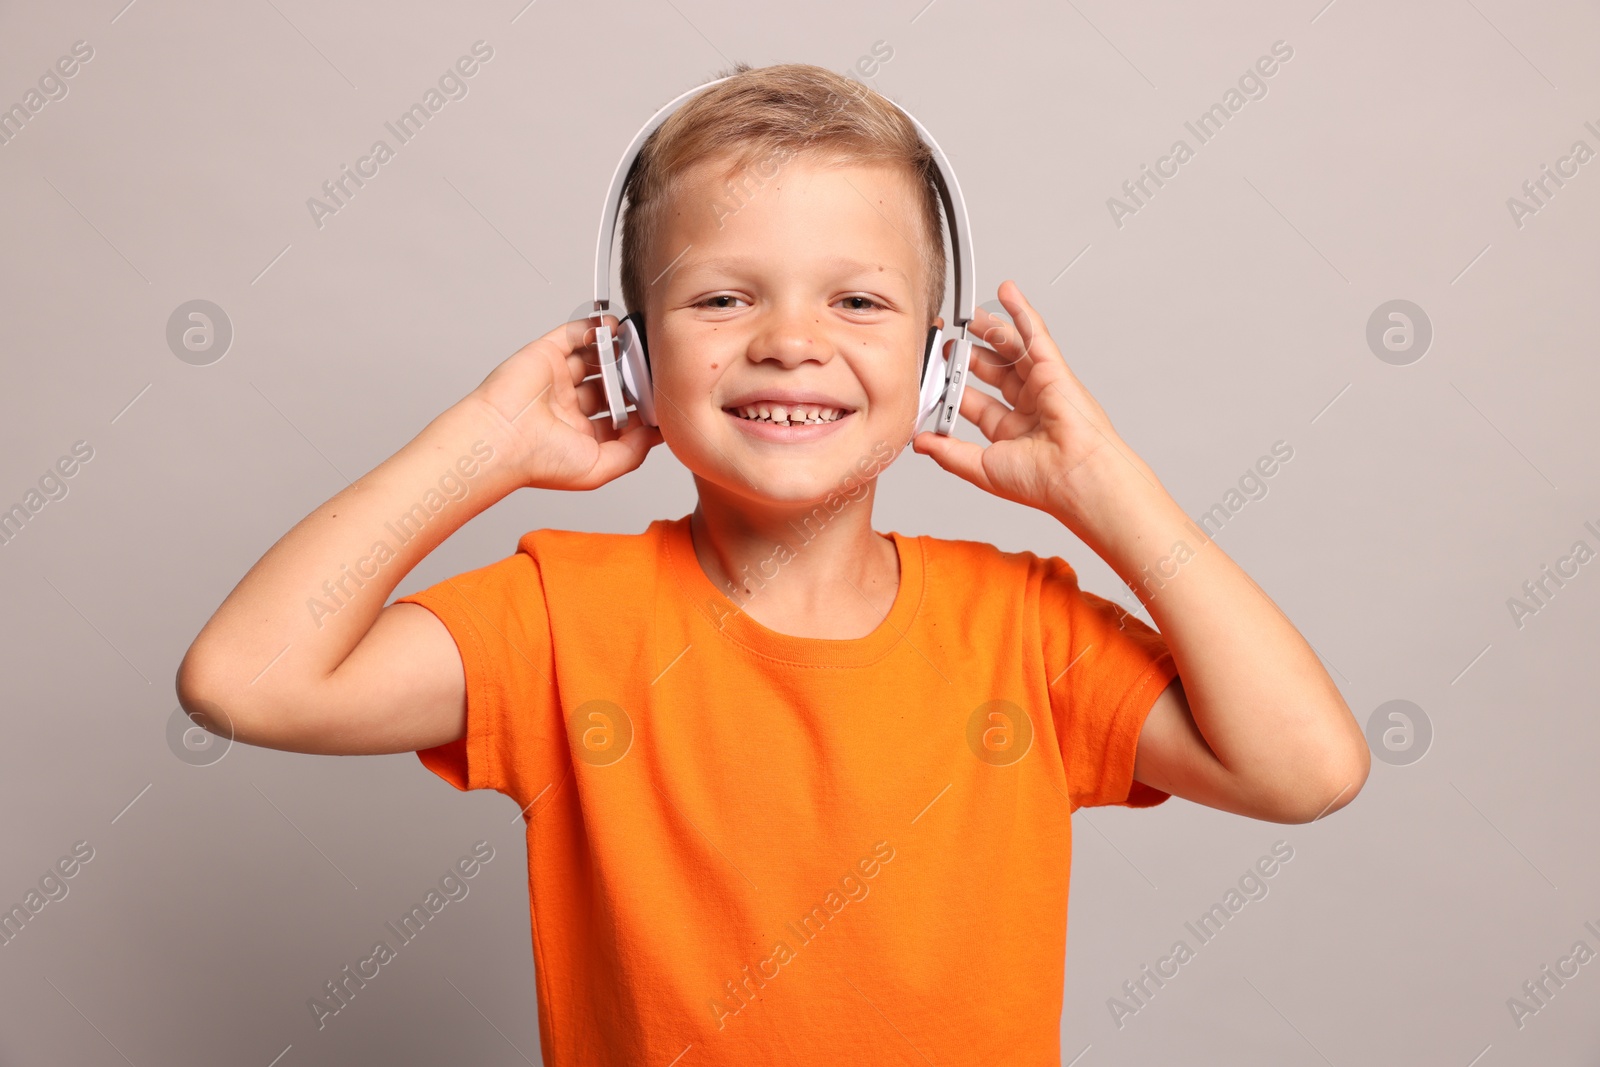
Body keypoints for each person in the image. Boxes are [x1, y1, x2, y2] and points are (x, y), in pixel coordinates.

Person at [177, 61, 1369, 1065]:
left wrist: (1104, 490)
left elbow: (1304, 767)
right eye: (720, 297)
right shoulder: (561, 619)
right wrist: (481, 447)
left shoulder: (1025, 630)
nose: (790, 341)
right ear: (631, 354)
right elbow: (248, 680)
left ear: (938, 365)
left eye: (858, 299)